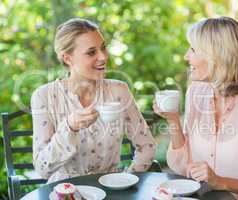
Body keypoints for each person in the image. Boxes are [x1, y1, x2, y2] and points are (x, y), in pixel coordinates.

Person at [153, 17, 238, 199]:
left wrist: (220, 181)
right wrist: (172, 119)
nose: (186, 56)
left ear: (216, 56)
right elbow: (182, 166)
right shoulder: (195, 92)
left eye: (192, 49)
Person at [31, 18, 156, 183]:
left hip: (111, 188)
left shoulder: (119, 91)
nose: (103, 57)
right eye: (91, 52)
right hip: (65, 191)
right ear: (68, 58)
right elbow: (42, 168)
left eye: (103, 48)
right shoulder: (44, 96)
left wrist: (127, 179)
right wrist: (69, 128)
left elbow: (146, 145)